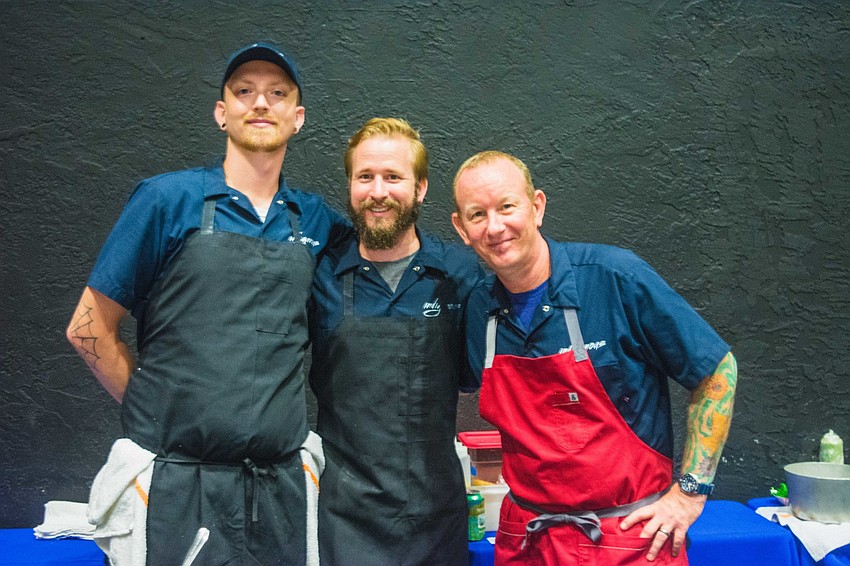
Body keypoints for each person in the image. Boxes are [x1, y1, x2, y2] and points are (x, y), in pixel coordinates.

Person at [66, 42, 350, 565]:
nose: (260, 103)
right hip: (175, 488)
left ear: (298, 116)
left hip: (281, 489)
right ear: (222, 113)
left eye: (276, 93)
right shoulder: (166, 200)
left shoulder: (316, 221)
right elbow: (87, 327)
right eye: (244, 92)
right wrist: (150, 409)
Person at [451, 150, 737, 565]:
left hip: (626, 543)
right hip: (527, 544)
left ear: (537, 206)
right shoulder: (479, 310)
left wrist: (691, 492)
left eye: (507, 207)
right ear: (462, 228)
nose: (495, 227)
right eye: (478, 215)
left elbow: (717, 372)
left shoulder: (615, 278)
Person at [308, 117, 483, 565]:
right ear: (350, 185)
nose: (378, 191)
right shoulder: (319, 274)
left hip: (437, 519)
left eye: (393, 177)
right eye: (365, 177)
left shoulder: (460, 274)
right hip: (345, 523)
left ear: (421, 187)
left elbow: (479, 375)